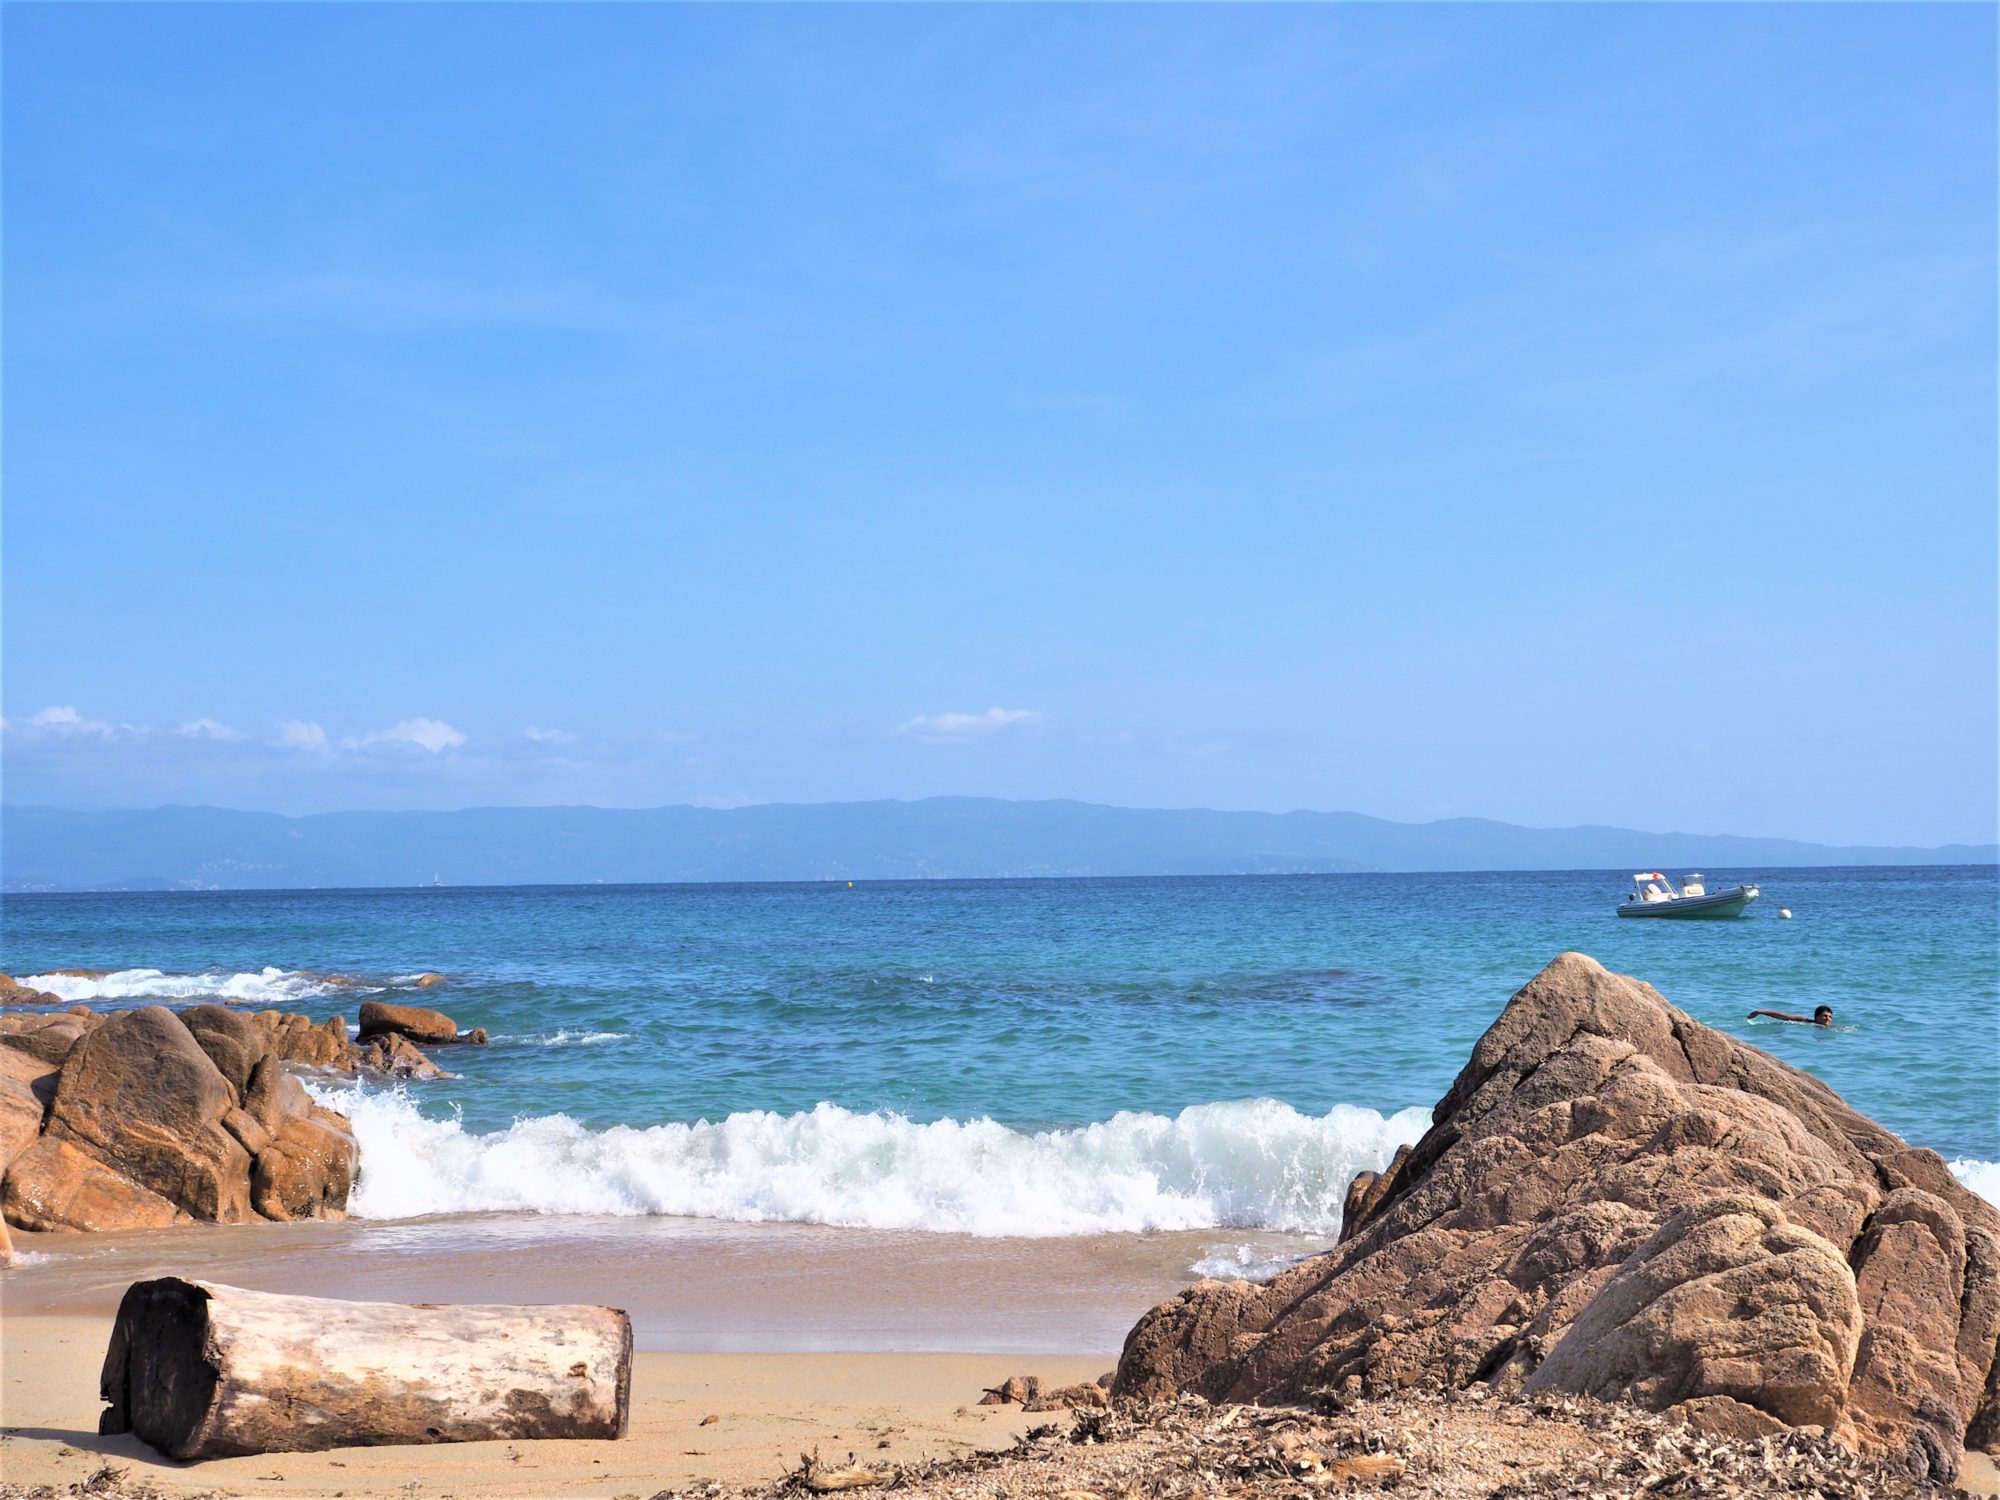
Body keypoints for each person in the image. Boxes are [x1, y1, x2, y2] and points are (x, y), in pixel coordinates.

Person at [1747, 1005, 1834, 1027]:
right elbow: (1784, 1016)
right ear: (1817, 1017)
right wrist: (1759, 1012)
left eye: (1830, 1017)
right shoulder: (1806, 1021)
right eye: (1825, 1016)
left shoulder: (1833, 1028)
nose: (1828, 1019)